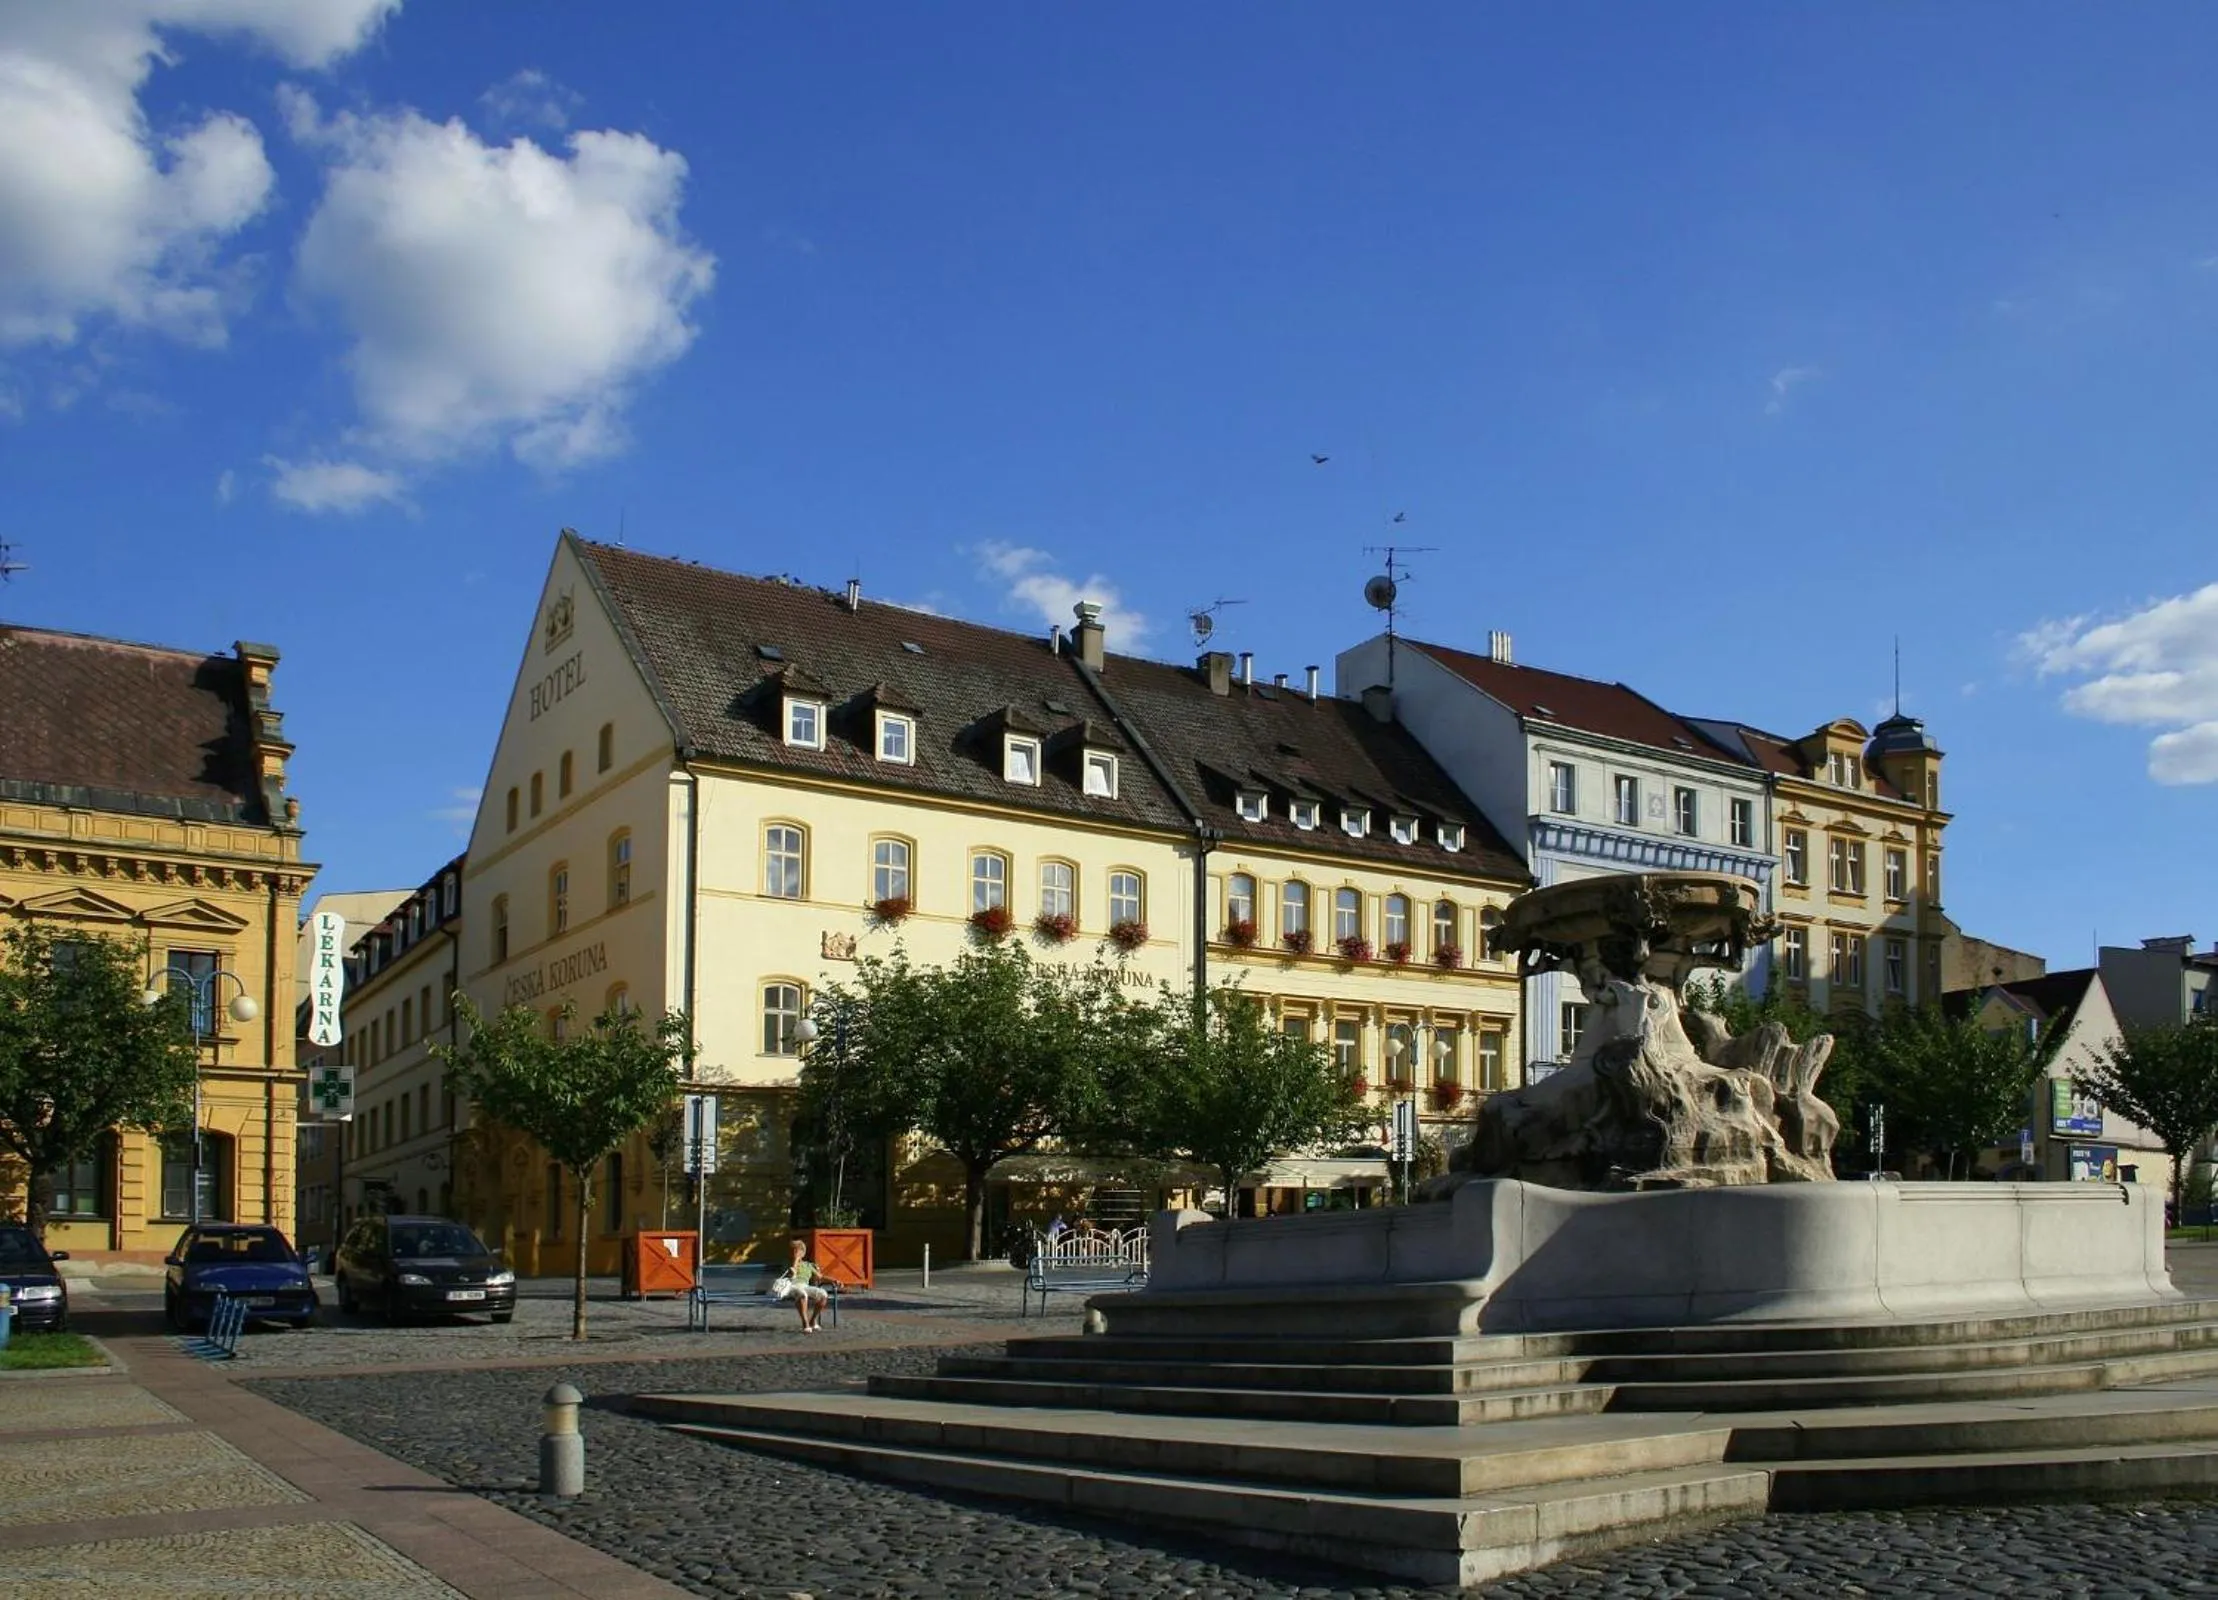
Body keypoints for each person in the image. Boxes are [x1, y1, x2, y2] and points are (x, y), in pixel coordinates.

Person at [782, 1238, 830, 1333]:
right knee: (802, 1294)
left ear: (802, 1253)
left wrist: (835, 1280)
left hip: (805, 1286)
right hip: (791, 1286)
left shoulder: (808, 1265)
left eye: (797, 1251)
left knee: (823, 1294)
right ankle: (805, 1323)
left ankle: (813, 1320)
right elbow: (792, 1275)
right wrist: (796, 1260)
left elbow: (820, 1277)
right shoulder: (788, 1263)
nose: (795, 1253)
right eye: (793, 1251)